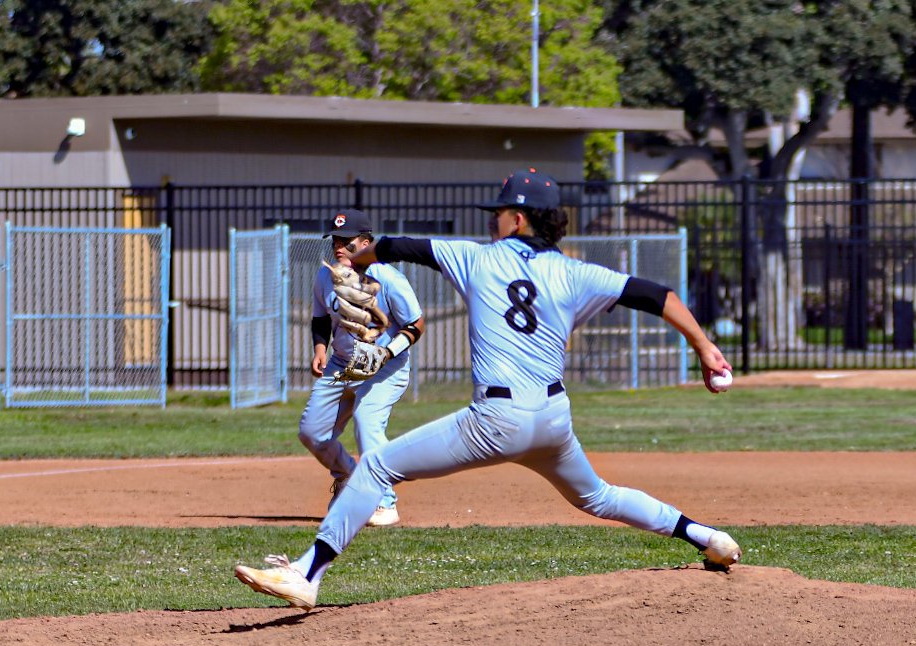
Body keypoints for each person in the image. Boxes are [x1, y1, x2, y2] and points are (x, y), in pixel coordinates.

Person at [235, 169, 741, 611]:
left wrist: (361, 260)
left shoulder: (476, 258)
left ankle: (306, 574)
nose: (491, 221)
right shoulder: (577, 273)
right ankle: (706, 536)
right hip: (553, 419)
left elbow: (398, 246)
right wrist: (704, 347)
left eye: (498, 213)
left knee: (376, 465)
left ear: (517, 220)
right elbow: (658, 295)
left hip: (495, 420)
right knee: (599, 497)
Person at [296, 208, 424, 527]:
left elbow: (416, 324)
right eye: (335, 240)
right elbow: (320, 318)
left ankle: (383, 502)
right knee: (312, 432)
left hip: (384, 368)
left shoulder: (388, 278)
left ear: (366, 243)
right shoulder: (327, 275)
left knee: (367, 422)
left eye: (346, 240)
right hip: (342, 364)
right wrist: (320, 349)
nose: (338, 246)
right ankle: (348, 478)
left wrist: (388, 352)